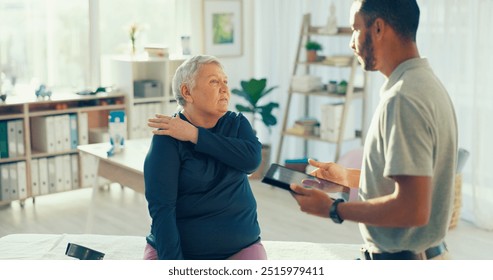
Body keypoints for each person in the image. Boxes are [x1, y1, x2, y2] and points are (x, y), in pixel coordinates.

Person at [290, 0, 458, 260]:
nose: (351, 41)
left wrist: (334, 210)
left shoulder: (403, 99)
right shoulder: (425, 84)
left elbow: (412, 208)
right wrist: (347, 178)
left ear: (378, 28)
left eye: (356, 28)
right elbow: (413, 180)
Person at [143, 55, 267, 260]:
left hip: (241, 248)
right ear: (187, 92)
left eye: (225, 81)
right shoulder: (167, 137)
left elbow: (251, 162)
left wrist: (194, 135)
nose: (225, 88)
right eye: (214, 81)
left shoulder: (237, 124)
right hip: (183, 252)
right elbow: (162, 209)